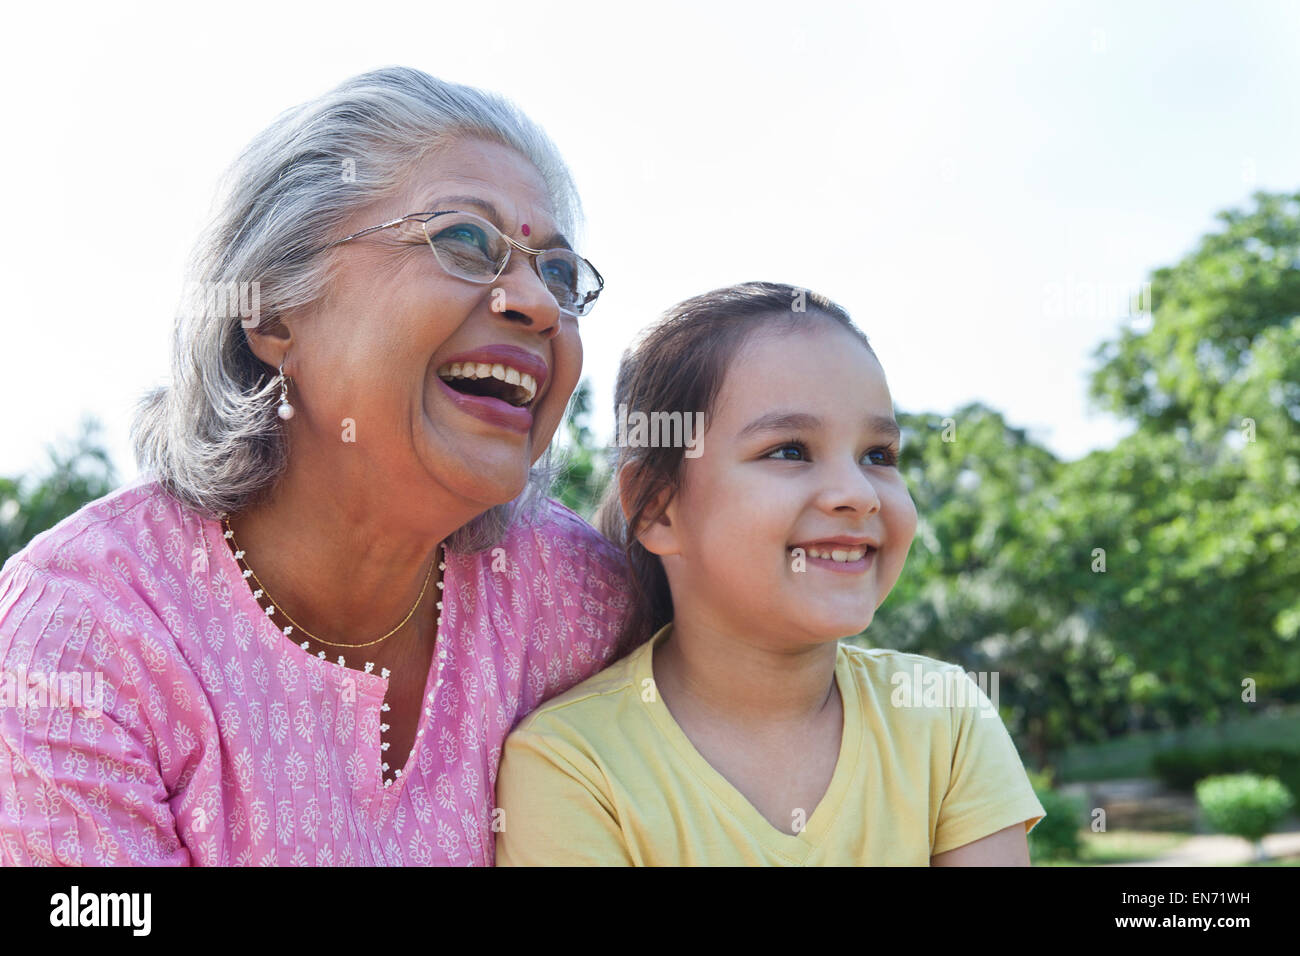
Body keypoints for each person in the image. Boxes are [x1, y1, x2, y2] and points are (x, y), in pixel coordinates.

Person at [0, 67, 631, 866]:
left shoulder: (580, 602)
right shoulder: (81, 640)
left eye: (561, 275)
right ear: (269, 312)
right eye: (465, 239)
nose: (539, 303)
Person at [494, 282, 1046, 865]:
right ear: (657, 505)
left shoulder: (942, 716)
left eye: (878, 455)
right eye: (789, 450)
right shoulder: (573, 766)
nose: (857, 494)